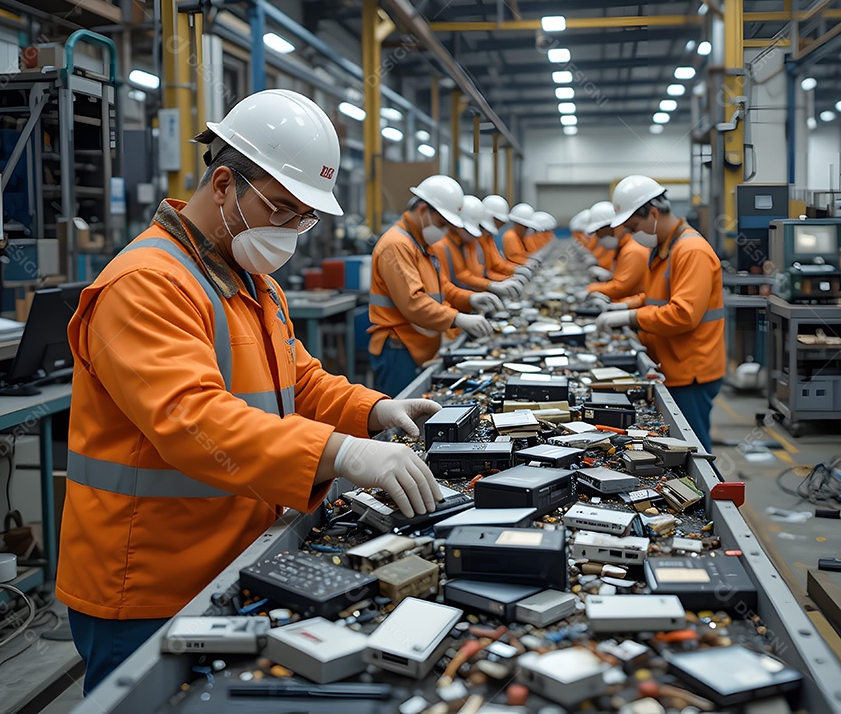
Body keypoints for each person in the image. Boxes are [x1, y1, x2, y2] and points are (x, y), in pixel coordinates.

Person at [57, 90, 445, 693]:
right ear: (222, 184)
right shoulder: (146, 284)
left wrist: (373, 410)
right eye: (282, 209)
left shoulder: (254, 283)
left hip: (230, 556)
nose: (291, 229)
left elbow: (302, 379)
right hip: (147, 580)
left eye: (304, 216)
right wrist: (338, 454)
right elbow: (193, 420)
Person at [595, 175, 725, 451]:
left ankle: (709, 496)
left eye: (633, 226)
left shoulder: (691, 250)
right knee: (680, 446)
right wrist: (625, 306)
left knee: (693, 451)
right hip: (672, 362)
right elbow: (656, 296)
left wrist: (632, 318)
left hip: (691, 370)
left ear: (653, 213)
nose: (631, 235)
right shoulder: (666, 247)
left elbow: (683, 314)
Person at [369, 175, 504, 396]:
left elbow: (443, 289)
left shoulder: (422, 245)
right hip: (398, 348)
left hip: (419, 345)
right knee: (397, 426)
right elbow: (414, 303)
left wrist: (470, 299)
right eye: (442, 224)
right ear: (423, 209)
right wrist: (457, 318)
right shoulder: (396, 245)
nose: (443, 231)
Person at [431, 195, 524, 298]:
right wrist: (491, 285)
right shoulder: (444, 245)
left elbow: (489, 266)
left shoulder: (465, 242)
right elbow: (460, 278)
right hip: (461, 298)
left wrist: (507, 277)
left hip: (467, 295)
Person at [583, 200, 649, 306]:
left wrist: (592, 288)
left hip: (634, 308)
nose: (598, 237)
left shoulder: (633, 250)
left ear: (613, 226)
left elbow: (621, 288)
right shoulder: (623, 247)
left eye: (599, 232)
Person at [481, 195, 533, 281]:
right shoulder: (510, 236)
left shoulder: (489, 237)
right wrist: (510, 276)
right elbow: (488, 270)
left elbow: (497, 263)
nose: (501, 224)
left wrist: (516, 271)